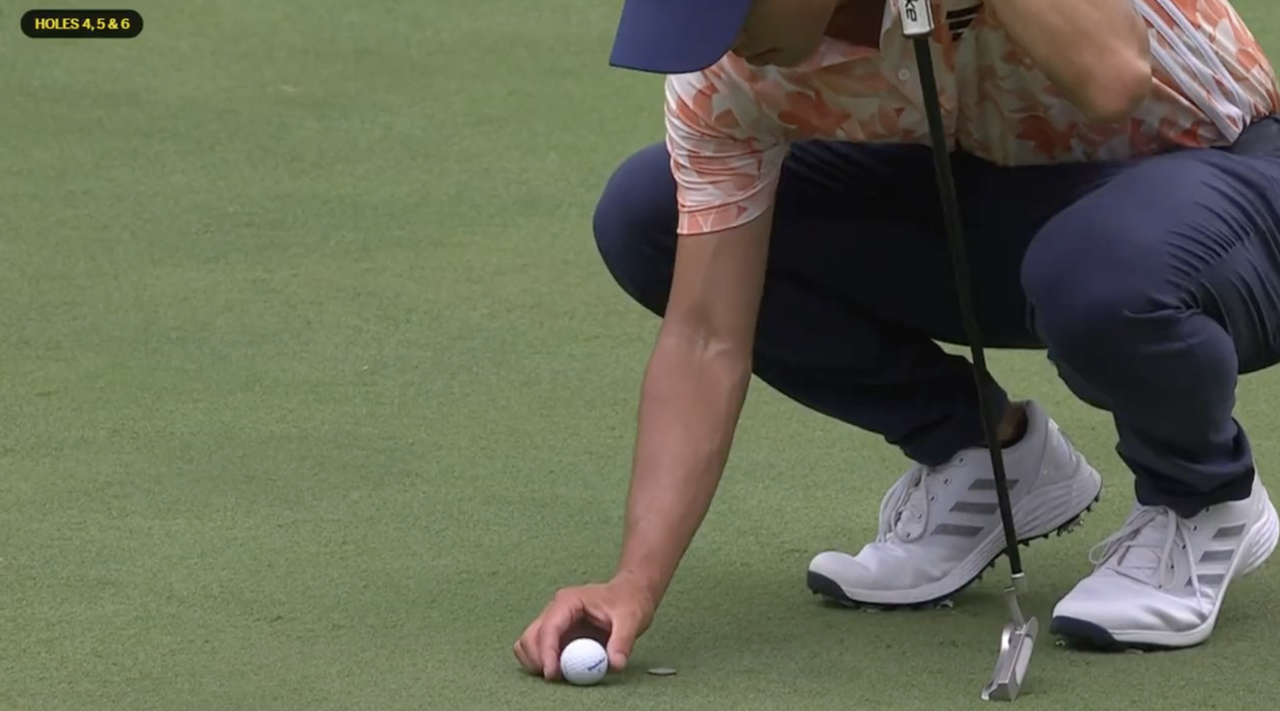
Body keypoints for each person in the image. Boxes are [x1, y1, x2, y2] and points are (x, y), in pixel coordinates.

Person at [514, 0, 1280, 681]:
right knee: (649, 217)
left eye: (735, 9)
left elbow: (1112, 74)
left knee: (1096, 268)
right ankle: (989, 456)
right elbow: (706, 338)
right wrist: (633, 582)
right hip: (1007, 202)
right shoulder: (723, 76)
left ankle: (1202, 498)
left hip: (1232, 189)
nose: (726, 39)